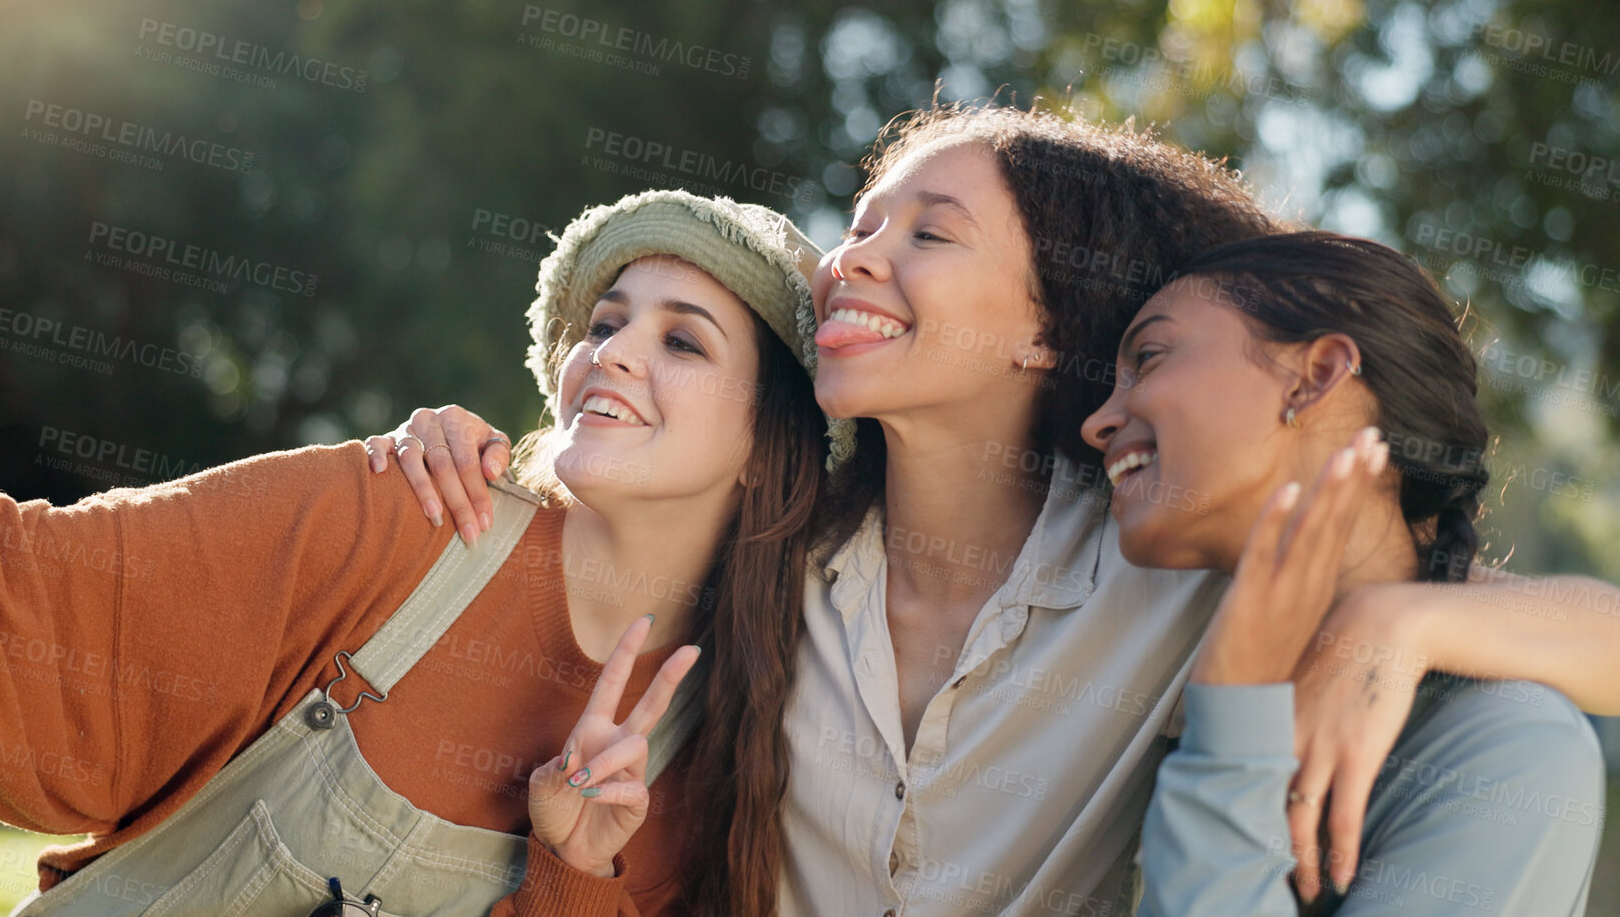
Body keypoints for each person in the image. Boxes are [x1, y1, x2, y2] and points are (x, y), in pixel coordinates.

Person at [376, 103, 1620, 916]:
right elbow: (590, 498)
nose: (850, 259)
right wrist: (451, 445)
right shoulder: (777, 540)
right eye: (860, 226)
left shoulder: (1175, 560)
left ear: (1044, 330)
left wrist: (1396, 627)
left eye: (930, 233)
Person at [0, 145, 838, 915]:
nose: (617, 353)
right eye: (606, 321)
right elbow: (22, 606)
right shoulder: (405, 516)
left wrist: (571, 872)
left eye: (685, 340)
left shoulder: (731, 756)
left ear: (771, 440)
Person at [1081, 232, 1607, 915]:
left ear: (1315, 375)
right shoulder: (1148, 632)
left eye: (1147, 357)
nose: (1098, 420)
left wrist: (1233, 736)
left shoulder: (1509, 747)